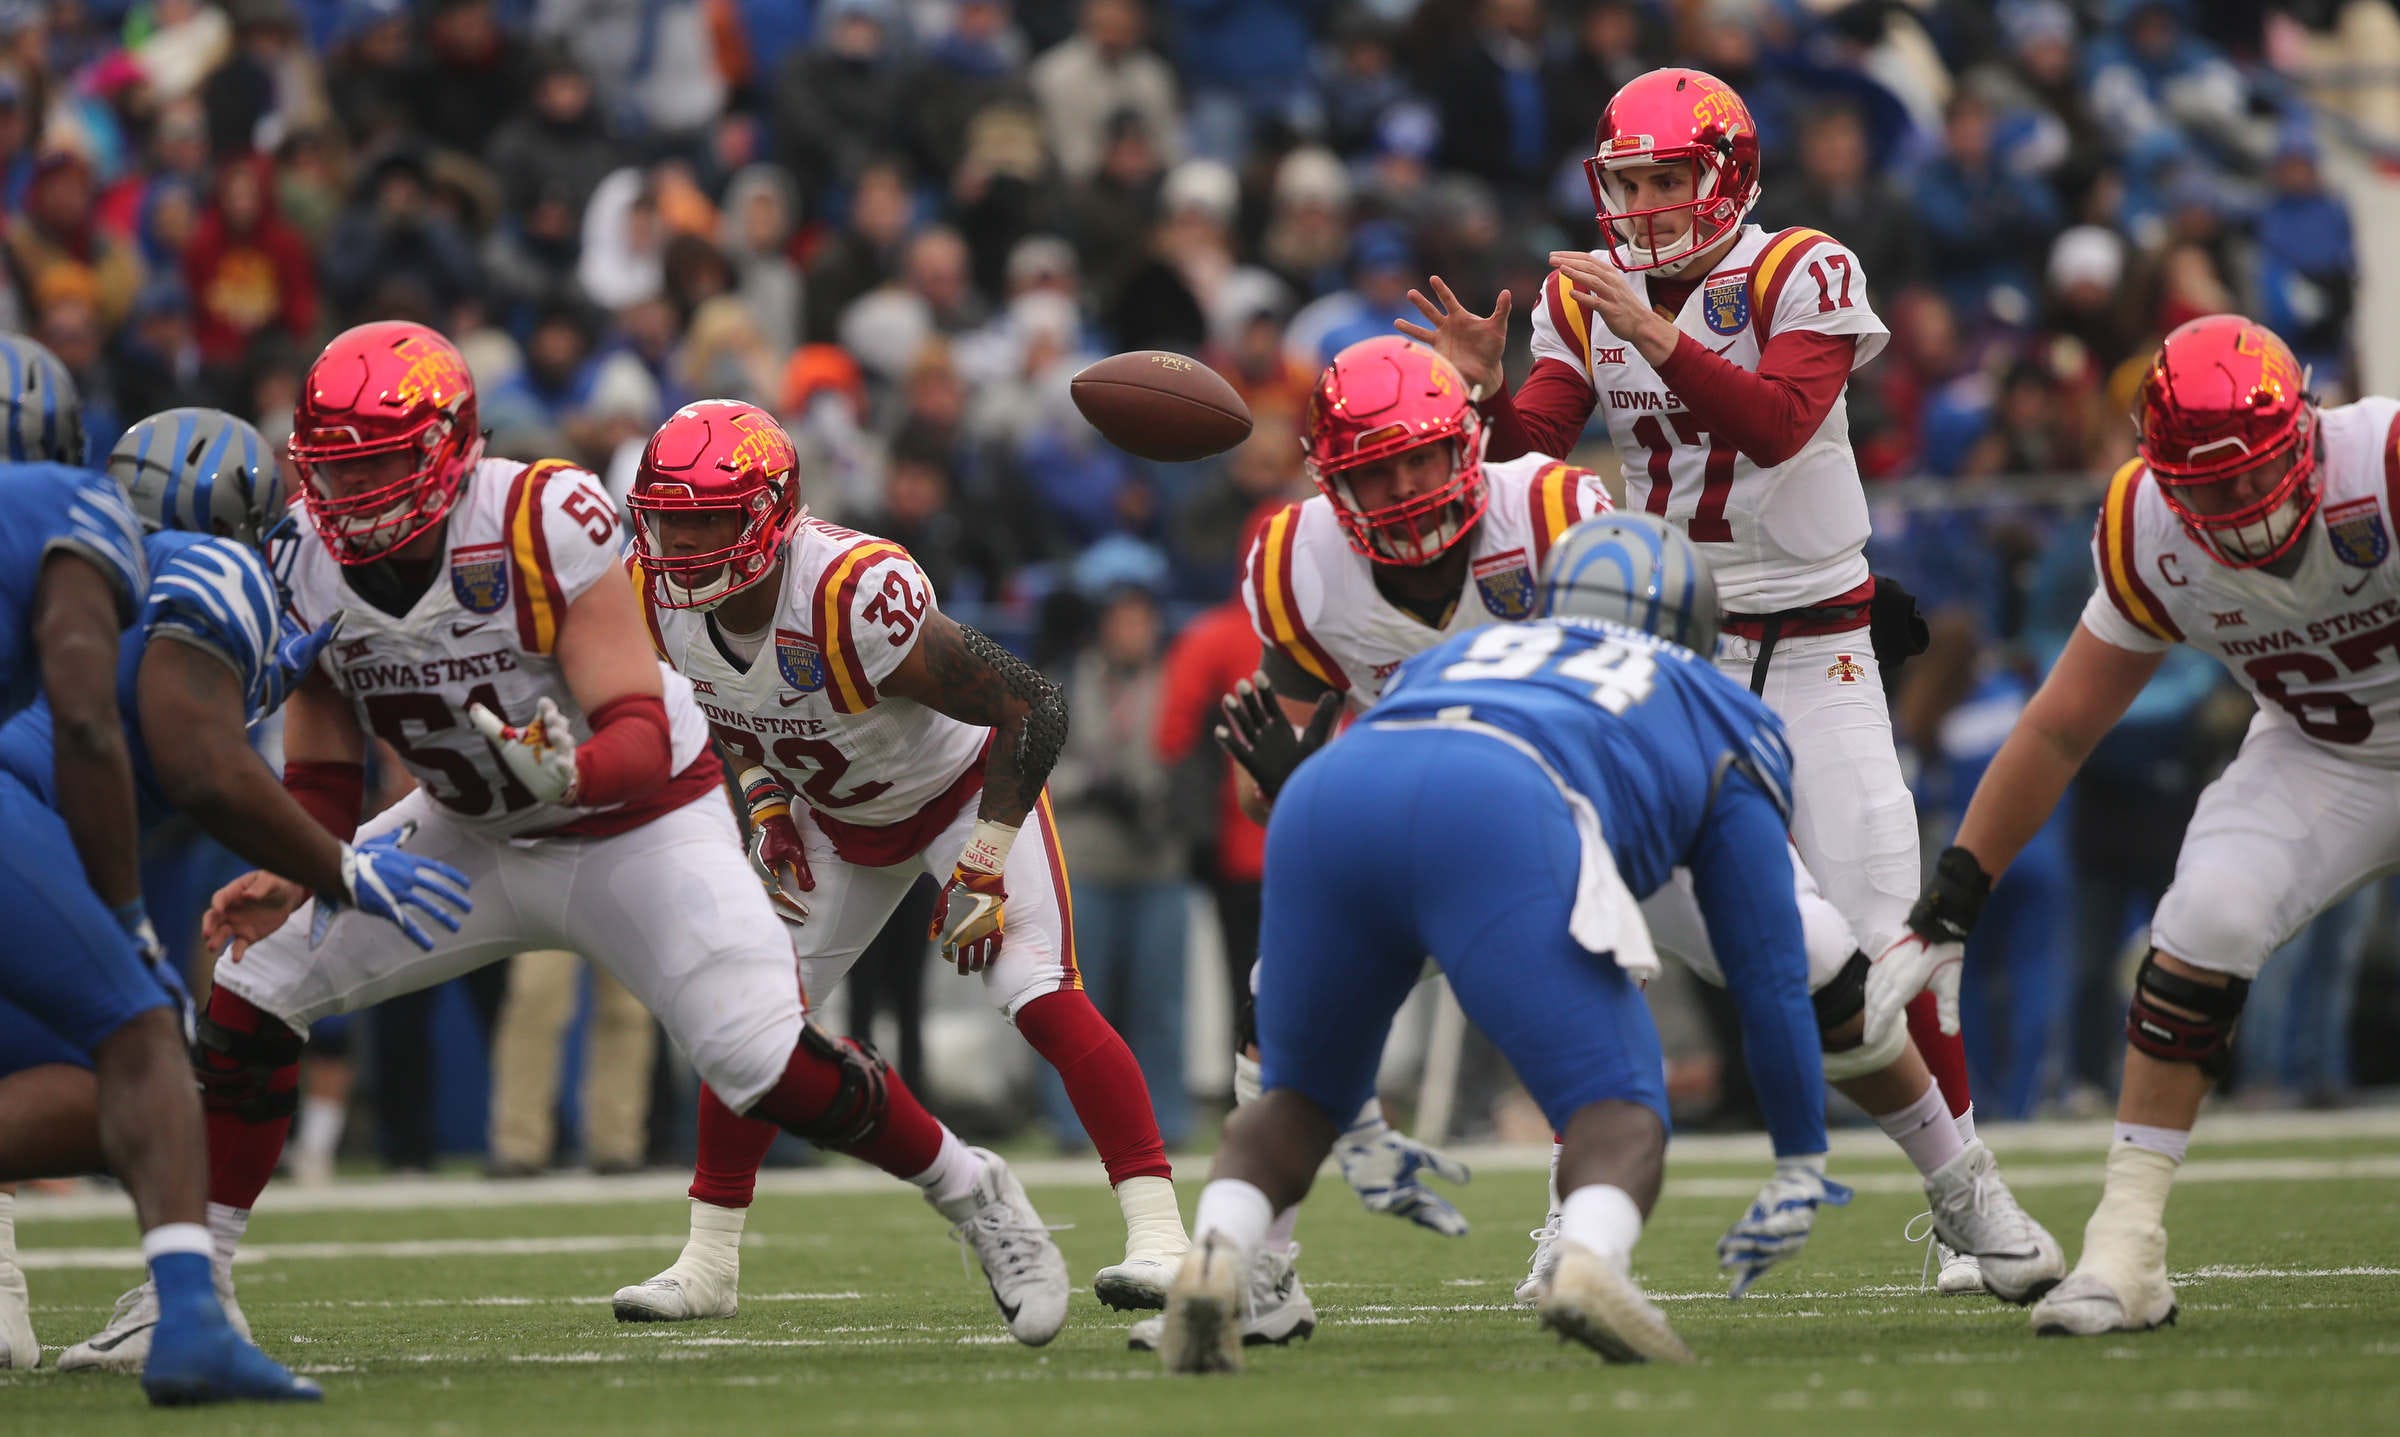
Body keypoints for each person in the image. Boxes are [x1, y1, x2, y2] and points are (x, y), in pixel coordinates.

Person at [60, 324, 1074, 1370]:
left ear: (448, 448)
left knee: (756, 1057)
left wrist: (572, 776)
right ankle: (192, 1287)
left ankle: (972, 1190)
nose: (353, 491)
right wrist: (304, 855)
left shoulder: (543, 517)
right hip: (464, 828)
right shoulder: (305, 553)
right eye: (337, 465)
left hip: (633, 824)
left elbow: (636, 721)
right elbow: (323, 739)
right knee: (255, 983)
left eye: (378, 462)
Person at [1143, 335, 2058, 1349]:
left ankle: (1962, 1188)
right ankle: (1266, 1276)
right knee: (1284, 1017)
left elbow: (1656, 695)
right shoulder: (1295, 562)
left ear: (1467, 450)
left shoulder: (1546, 511)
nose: (1405, 491)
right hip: (1447, 819)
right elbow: (1268, 776)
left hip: (1610, 802)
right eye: (1377, 470)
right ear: (1332, 482)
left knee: (1825, 969)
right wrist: (1286, 787)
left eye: (1422, 461)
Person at [1399, 65, 1983, 1290]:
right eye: (1633, 181)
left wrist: (1653, 329)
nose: (1651, 204)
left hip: (1817, 645)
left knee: (1883, 947)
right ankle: (1578, 1206)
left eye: (1671, 178)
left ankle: (1964, 1196)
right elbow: (1537, 464)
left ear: (1726, 176)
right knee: (1591, 922)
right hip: (1667, 652)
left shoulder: (1797, 267)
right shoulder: (1583, 297)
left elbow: (1777, 421)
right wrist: (1488, 396)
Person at [1161, 515, 1833, 1371]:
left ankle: (1219, 1245)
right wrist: (1801, 1154)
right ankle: (1589, 1259)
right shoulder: (1719, 704)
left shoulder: (1458, 652)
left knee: (1296, 1098)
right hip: (1498, 804)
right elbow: (1767, 970)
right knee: (1619, 1103)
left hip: (1326, 793)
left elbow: (1391, 768)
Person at [1870, 315, 2400, 1337]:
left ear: (2309, 426)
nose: (2239, 510)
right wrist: (1956, 895)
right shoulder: (2146, 527)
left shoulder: (2380, 463)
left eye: (2254, 475)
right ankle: (2128, 1248)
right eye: (2208, 490)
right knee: (2204, 915)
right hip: (2326, 757)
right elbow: (2063, 727)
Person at [609, 400, 1189, 1322]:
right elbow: (736, 712)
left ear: (767, 512)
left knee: (1038, 992)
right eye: (668, 517)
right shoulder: (656, 601)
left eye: (706, 518)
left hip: (961, 797)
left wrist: (985, 862)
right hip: (836, 816)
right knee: (745, 1020)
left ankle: (1162, 1238)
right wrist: (768, 809)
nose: (679, 541)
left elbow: (1034, 704)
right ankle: (708, 1262)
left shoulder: (849, 592)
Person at [0, 354, 316, 1404]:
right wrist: (343, 870)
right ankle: (186, 1322)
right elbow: (166, 751)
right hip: (25, 815)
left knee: (84, 1076)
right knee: (149, 1061)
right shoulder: (195, 564)